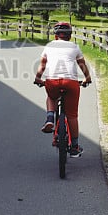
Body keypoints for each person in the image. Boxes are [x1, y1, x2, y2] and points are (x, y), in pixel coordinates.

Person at [34, 21, 92, 157]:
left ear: (55, 36)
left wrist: (38, 78)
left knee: (51, 96)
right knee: (72, 115)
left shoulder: (49, 47)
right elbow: (82, 65)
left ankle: (49, 118)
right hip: (71, 82)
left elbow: (42, 65)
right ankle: (75, 147)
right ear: (70, 36)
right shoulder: (75, 47)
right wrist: (87, 78)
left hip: (52, 81)